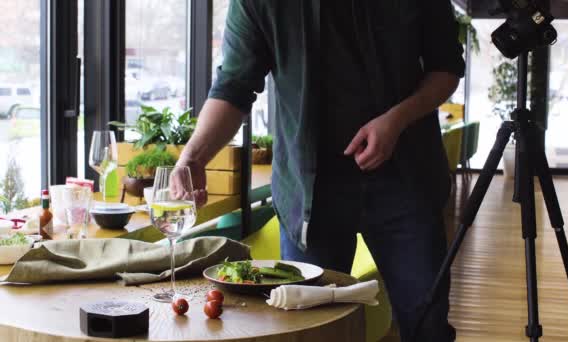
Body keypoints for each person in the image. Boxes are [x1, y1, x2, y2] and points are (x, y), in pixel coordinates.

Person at [174, 1, 465, 341]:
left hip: (406, 182)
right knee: (311, 329)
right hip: (309, 195)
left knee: (426, 325)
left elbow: (446, 68)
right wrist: (193, 157)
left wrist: (396, 121)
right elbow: (234, 86)